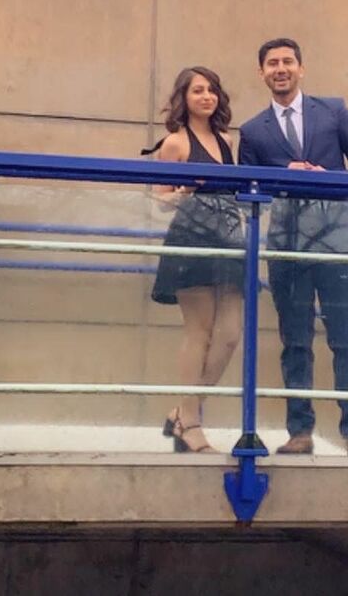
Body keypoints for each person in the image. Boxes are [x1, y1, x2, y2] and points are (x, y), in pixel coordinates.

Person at [237, 37, 348, 456]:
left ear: (301, 68)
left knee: (346, 339)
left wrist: (327, 177)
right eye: (271, 64)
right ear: (261, 73)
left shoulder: (333, 111)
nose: (280, 69)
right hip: (287, 246)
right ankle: (300, 432)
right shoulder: (251, 131)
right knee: (295, 342)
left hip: (337, 241)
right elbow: (249, 188)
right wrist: (287, 172)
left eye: (287, 62)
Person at [147, 66, 244, 454]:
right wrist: (184, 191)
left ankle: (182, 412)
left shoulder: (224, 140)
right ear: (183, 98)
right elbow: (157, 201)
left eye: (211, 90)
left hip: (229, 241)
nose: (206, 96)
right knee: (199, 331)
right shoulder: (175, 143)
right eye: (198, 90)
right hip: (192, 239)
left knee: (230, 334)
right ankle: (191, 423)